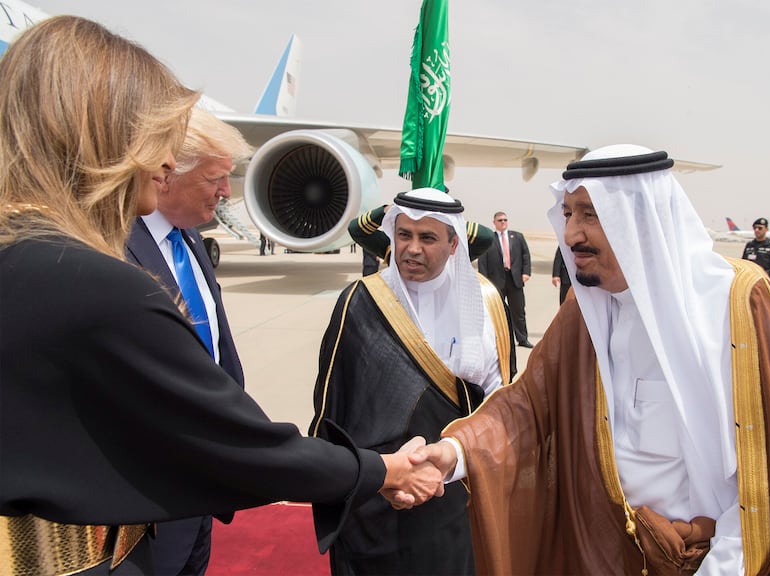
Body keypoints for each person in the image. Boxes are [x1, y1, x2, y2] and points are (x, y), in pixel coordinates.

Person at [0, 16, 441, 576]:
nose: (165, 161)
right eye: (155, 137)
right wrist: (384, 471)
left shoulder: (23, 257)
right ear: (103, 136)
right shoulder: (96, 282)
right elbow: (247, 450)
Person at [407, 145, 770, 574]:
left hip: (720, 560)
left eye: (590, 215)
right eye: (569, 212)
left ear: (639, 221)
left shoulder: (737, 303)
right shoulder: (587, 308)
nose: (571, 232)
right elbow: (528, 404)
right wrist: (453, 451)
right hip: (604, 550)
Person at [310, 188, 516, 575]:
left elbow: (500, 405)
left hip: (452, 492)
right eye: (404, 235)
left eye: (428, 238)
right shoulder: (360, 299)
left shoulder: (485, 302)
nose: (412, 249)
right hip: (372, 496)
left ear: (454, 244)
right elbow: (331, 406)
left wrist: (452, 465)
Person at [125, 107, 252, 576]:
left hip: (202, 482)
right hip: (152, 498)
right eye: (215, 179)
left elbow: (216, 350)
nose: (226, 193)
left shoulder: (191, 237)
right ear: (166, 175)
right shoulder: (113, 246)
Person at [348, 203, 496, 263]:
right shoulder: (395, 245)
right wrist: (386, 210)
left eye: (428, 238)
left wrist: (449, 221)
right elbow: (356, 230)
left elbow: (486, 237)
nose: (414, 250)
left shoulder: (452, 248)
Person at [477, 211, 533, 347]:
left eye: (505, 220)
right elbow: (482, 261)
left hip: (514, 280)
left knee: (518, 311)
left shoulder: (517, 237)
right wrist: (485, 281)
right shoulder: (489, 239)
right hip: (496, 281)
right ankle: (499, 340)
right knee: (497, 312)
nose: (503, 222)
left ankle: (522, 339)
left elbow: (525, 255)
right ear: (494, 223)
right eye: (500, 220)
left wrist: (526, 273)